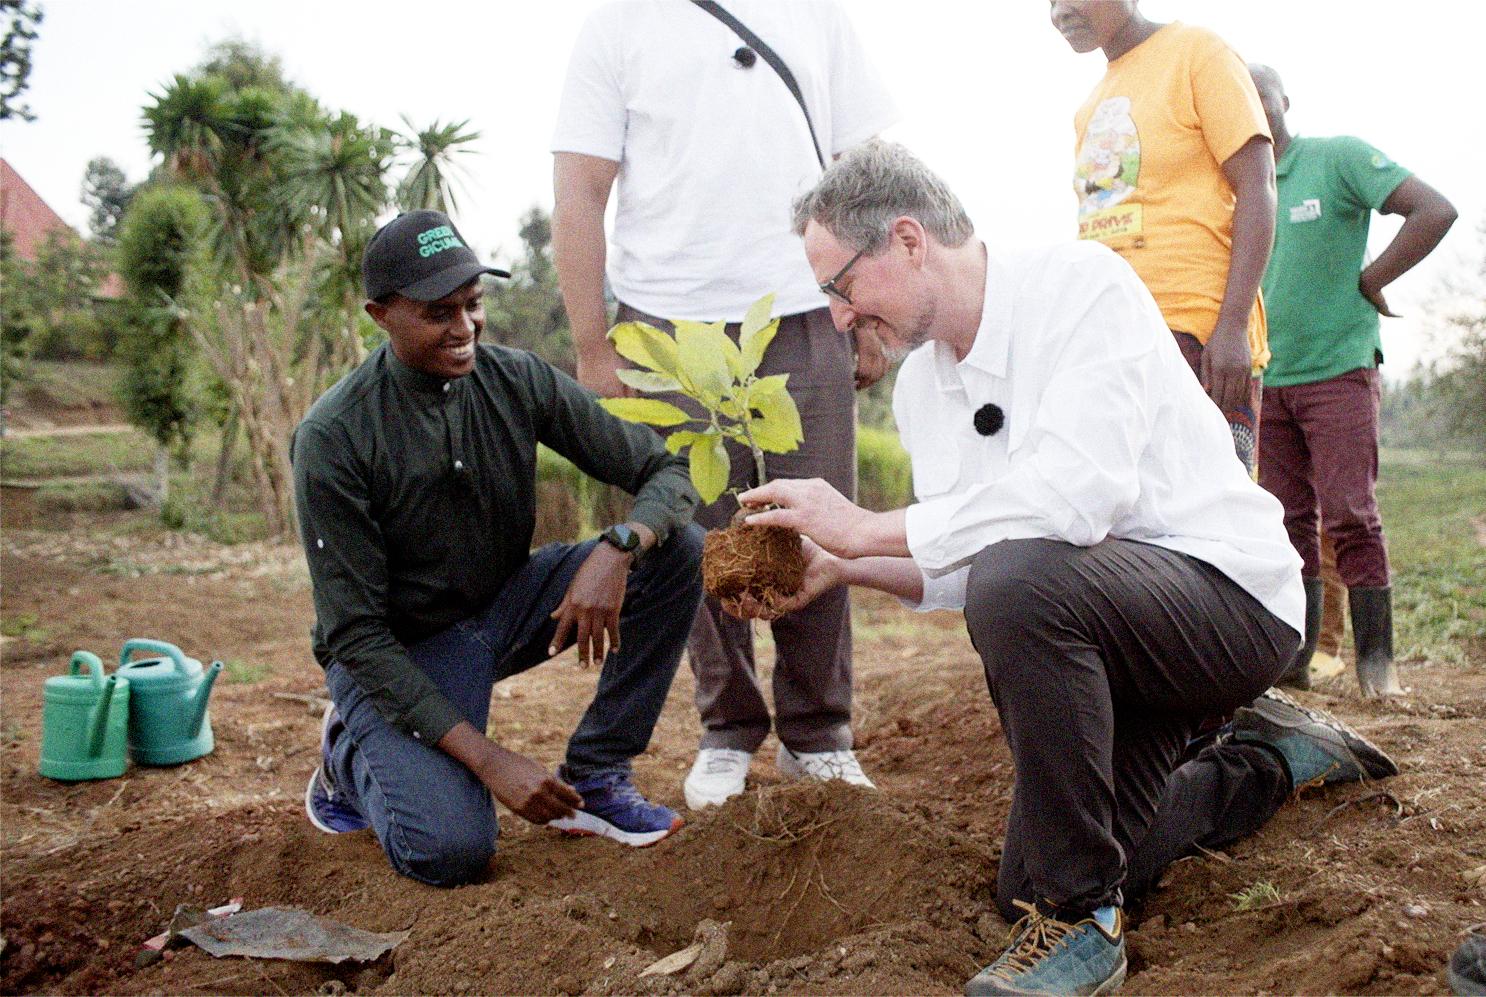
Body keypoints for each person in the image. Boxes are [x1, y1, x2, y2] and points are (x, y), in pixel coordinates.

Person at [737, 142, 1395, 996]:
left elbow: (1074, 501)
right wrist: (841, 564)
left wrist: (864, 526)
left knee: (1025, 599)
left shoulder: (1082, 288)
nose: (835, 317)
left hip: (1229, 601)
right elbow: (965, 564)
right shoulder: (920, 390)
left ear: (906, 240)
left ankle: (1083, 921)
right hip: (1119, 639)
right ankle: (1266, 759)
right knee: (1027, 878)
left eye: (838, 286)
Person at [550, 0, 899, 810]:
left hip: (808, 307)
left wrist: (870, 308)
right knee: (696, 533)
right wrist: (595, 349)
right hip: (667, 321)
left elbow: (866, 166)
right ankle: (728, 727)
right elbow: (578, 188)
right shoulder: (616, 25)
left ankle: (818, 733)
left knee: (819, 517)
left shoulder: (818, 13)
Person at [292, 210, 705, 886]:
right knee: (450, 850)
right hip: (402, 651)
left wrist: (622, 545)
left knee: (678, 548)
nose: (464, 328)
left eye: (473, 303)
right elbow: (357, 636)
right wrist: (491, 760)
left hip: (508, 607)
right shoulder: (334, 438)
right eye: (438, 312)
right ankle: (347, 755)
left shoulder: (516, 379)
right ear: (380, 313)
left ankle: (598, 773)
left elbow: (666, 472)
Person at [1249, 63, 1457, 696]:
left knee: (1351, 516)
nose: (1249, 106)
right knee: (1286, 522)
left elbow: (1433, 209)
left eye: (1258, 93)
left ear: (1284, 98)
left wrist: (1373, 280)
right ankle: (1300, 666)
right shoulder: (1236, 187)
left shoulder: (1336, 159)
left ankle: (1378, 672)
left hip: (1338, 370)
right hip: (1267, 377)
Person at [1053, 0, 1275, 475]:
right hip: (1115, 333)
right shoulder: (1090, 106)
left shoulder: (1197, 52)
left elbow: (1259, 184)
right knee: (1133, 519)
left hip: (1197, 332)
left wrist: (1232, 326)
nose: (1059, 11)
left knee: (1214, 521)